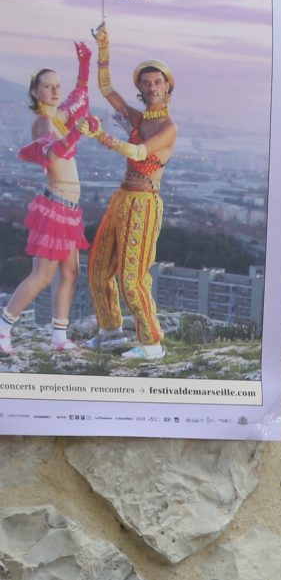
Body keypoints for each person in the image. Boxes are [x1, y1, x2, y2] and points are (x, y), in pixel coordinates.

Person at [3, 43, 127, 356]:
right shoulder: (45, 123)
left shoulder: (59, 115)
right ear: (36, 93)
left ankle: (59, 337)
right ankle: (3, 328)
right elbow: (52, 152)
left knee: (70, 273)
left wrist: (85, 61)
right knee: (43, 276)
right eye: (48, 86)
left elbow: (80, 94)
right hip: (55, 208)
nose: (56, 90)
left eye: (57, 85)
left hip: (69, 210)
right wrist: (77, 133)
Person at [83, 22, 179, 360]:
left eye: (157, 82)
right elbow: (107, 88)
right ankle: (110, 332)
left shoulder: (168, 127)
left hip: (144, 203)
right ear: (140, 86)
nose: (152, 87)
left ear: (168, 86)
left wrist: (100, 137)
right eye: (146, 82)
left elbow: (139, 153)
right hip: (122, 197)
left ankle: (152, 344)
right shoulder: (139, 119)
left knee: (131, 278)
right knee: (97, 269)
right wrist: (104, 47)